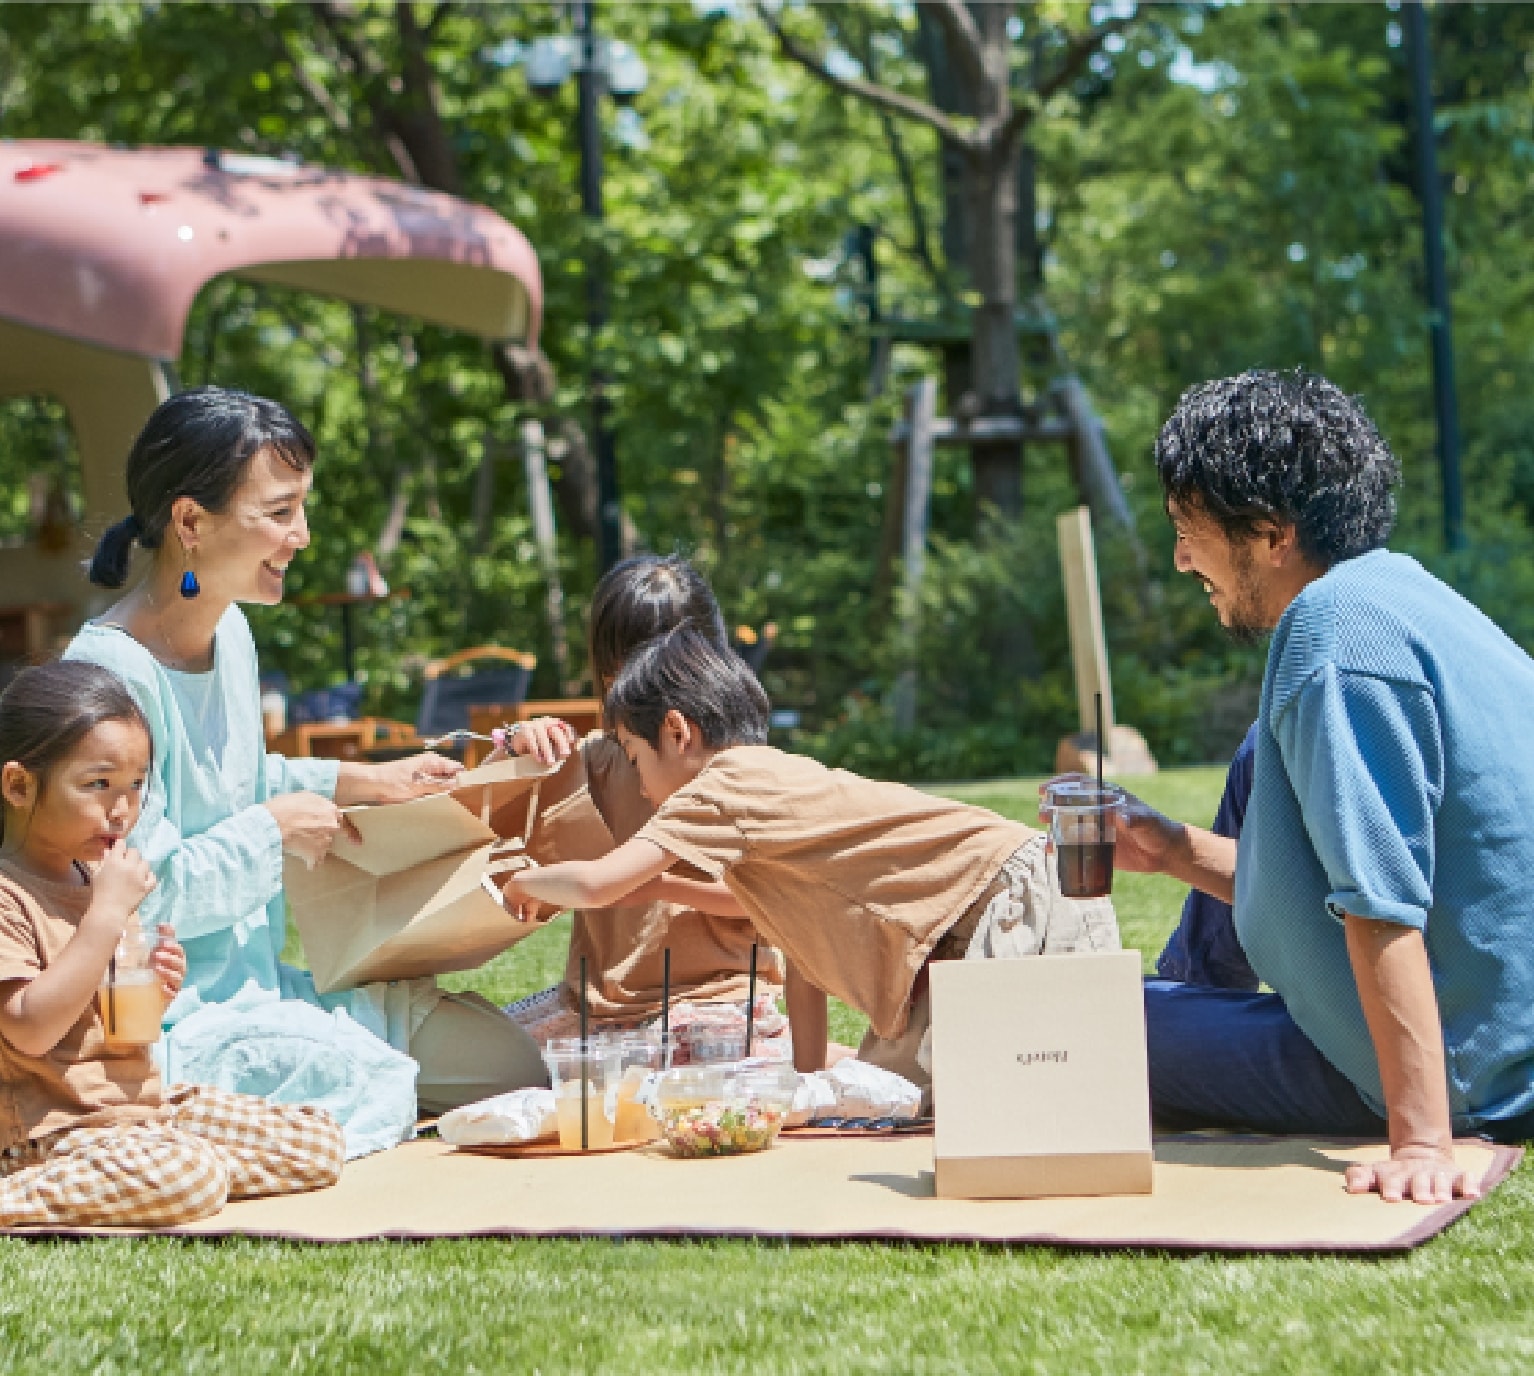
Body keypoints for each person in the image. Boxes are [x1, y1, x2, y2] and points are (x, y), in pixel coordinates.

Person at [1091, 368, 1534, 1205]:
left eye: (1191, 530)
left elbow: (1382, 900)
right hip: (1493, 1024)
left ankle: (1180, 1021)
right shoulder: (1402, 594)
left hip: (1467, 1071)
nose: (1183, 558)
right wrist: (1176, 850)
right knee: (1268, 747)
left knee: (1068, 1026)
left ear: (1270, 533)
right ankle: (1195, 1001)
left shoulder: (1331, 639)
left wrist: (1424, 1141)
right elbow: (1364, 881)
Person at [65, 387, 546, 1133]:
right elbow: (138, 896)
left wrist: (369, 780)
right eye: (280, 512)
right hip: (171, 1018)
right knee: (381, 1089)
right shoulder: (107, 678)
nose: (304, 536)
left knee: (510, 1066)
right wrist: (272, 828)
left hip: (268, 990)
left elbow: (237, 784)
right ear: (191, 521)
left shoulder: (231, 637)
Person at [498, 628, 1119, 1098]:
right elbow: (802, 965)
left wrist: (522, 881)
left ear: (677, 732)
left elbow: (601, 882)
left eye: (635, 760)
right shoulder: (764, 803)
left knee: (1008, 1110)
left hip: (1014, 909)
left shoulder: (720, 786)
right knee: (891, 1098)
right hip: (976, 928)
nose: (643, 787)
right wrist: (804, 1086)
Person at [0, 661, 344, 1228]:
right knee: (190, 1175)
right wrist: (106, 917)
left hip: (139, 1112)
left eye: (136, 786)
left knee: (315, 1142)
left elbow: (118, 1032)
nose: (122, 809)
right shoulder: (12, 895)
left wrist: (155, 991)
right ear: (19, 785)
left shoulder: (95, 881)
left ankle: (169, 1169)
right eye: (97, 785)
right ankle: (83, 1186)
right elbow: (32, 1030)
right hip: (55, 1128)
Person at [491, 555, 790, 1058]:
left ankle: (874, 1069)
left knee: (686, 1066)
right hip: (596, 1010)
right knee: (477, 1059)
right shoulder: (588, 759)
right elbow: (491, 836)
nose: (634, 692)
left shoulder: (735, 771)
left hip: (715, 999)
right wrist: (515, 747)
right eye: (619, 675)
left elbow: (771, 898)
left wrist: (659, 885)